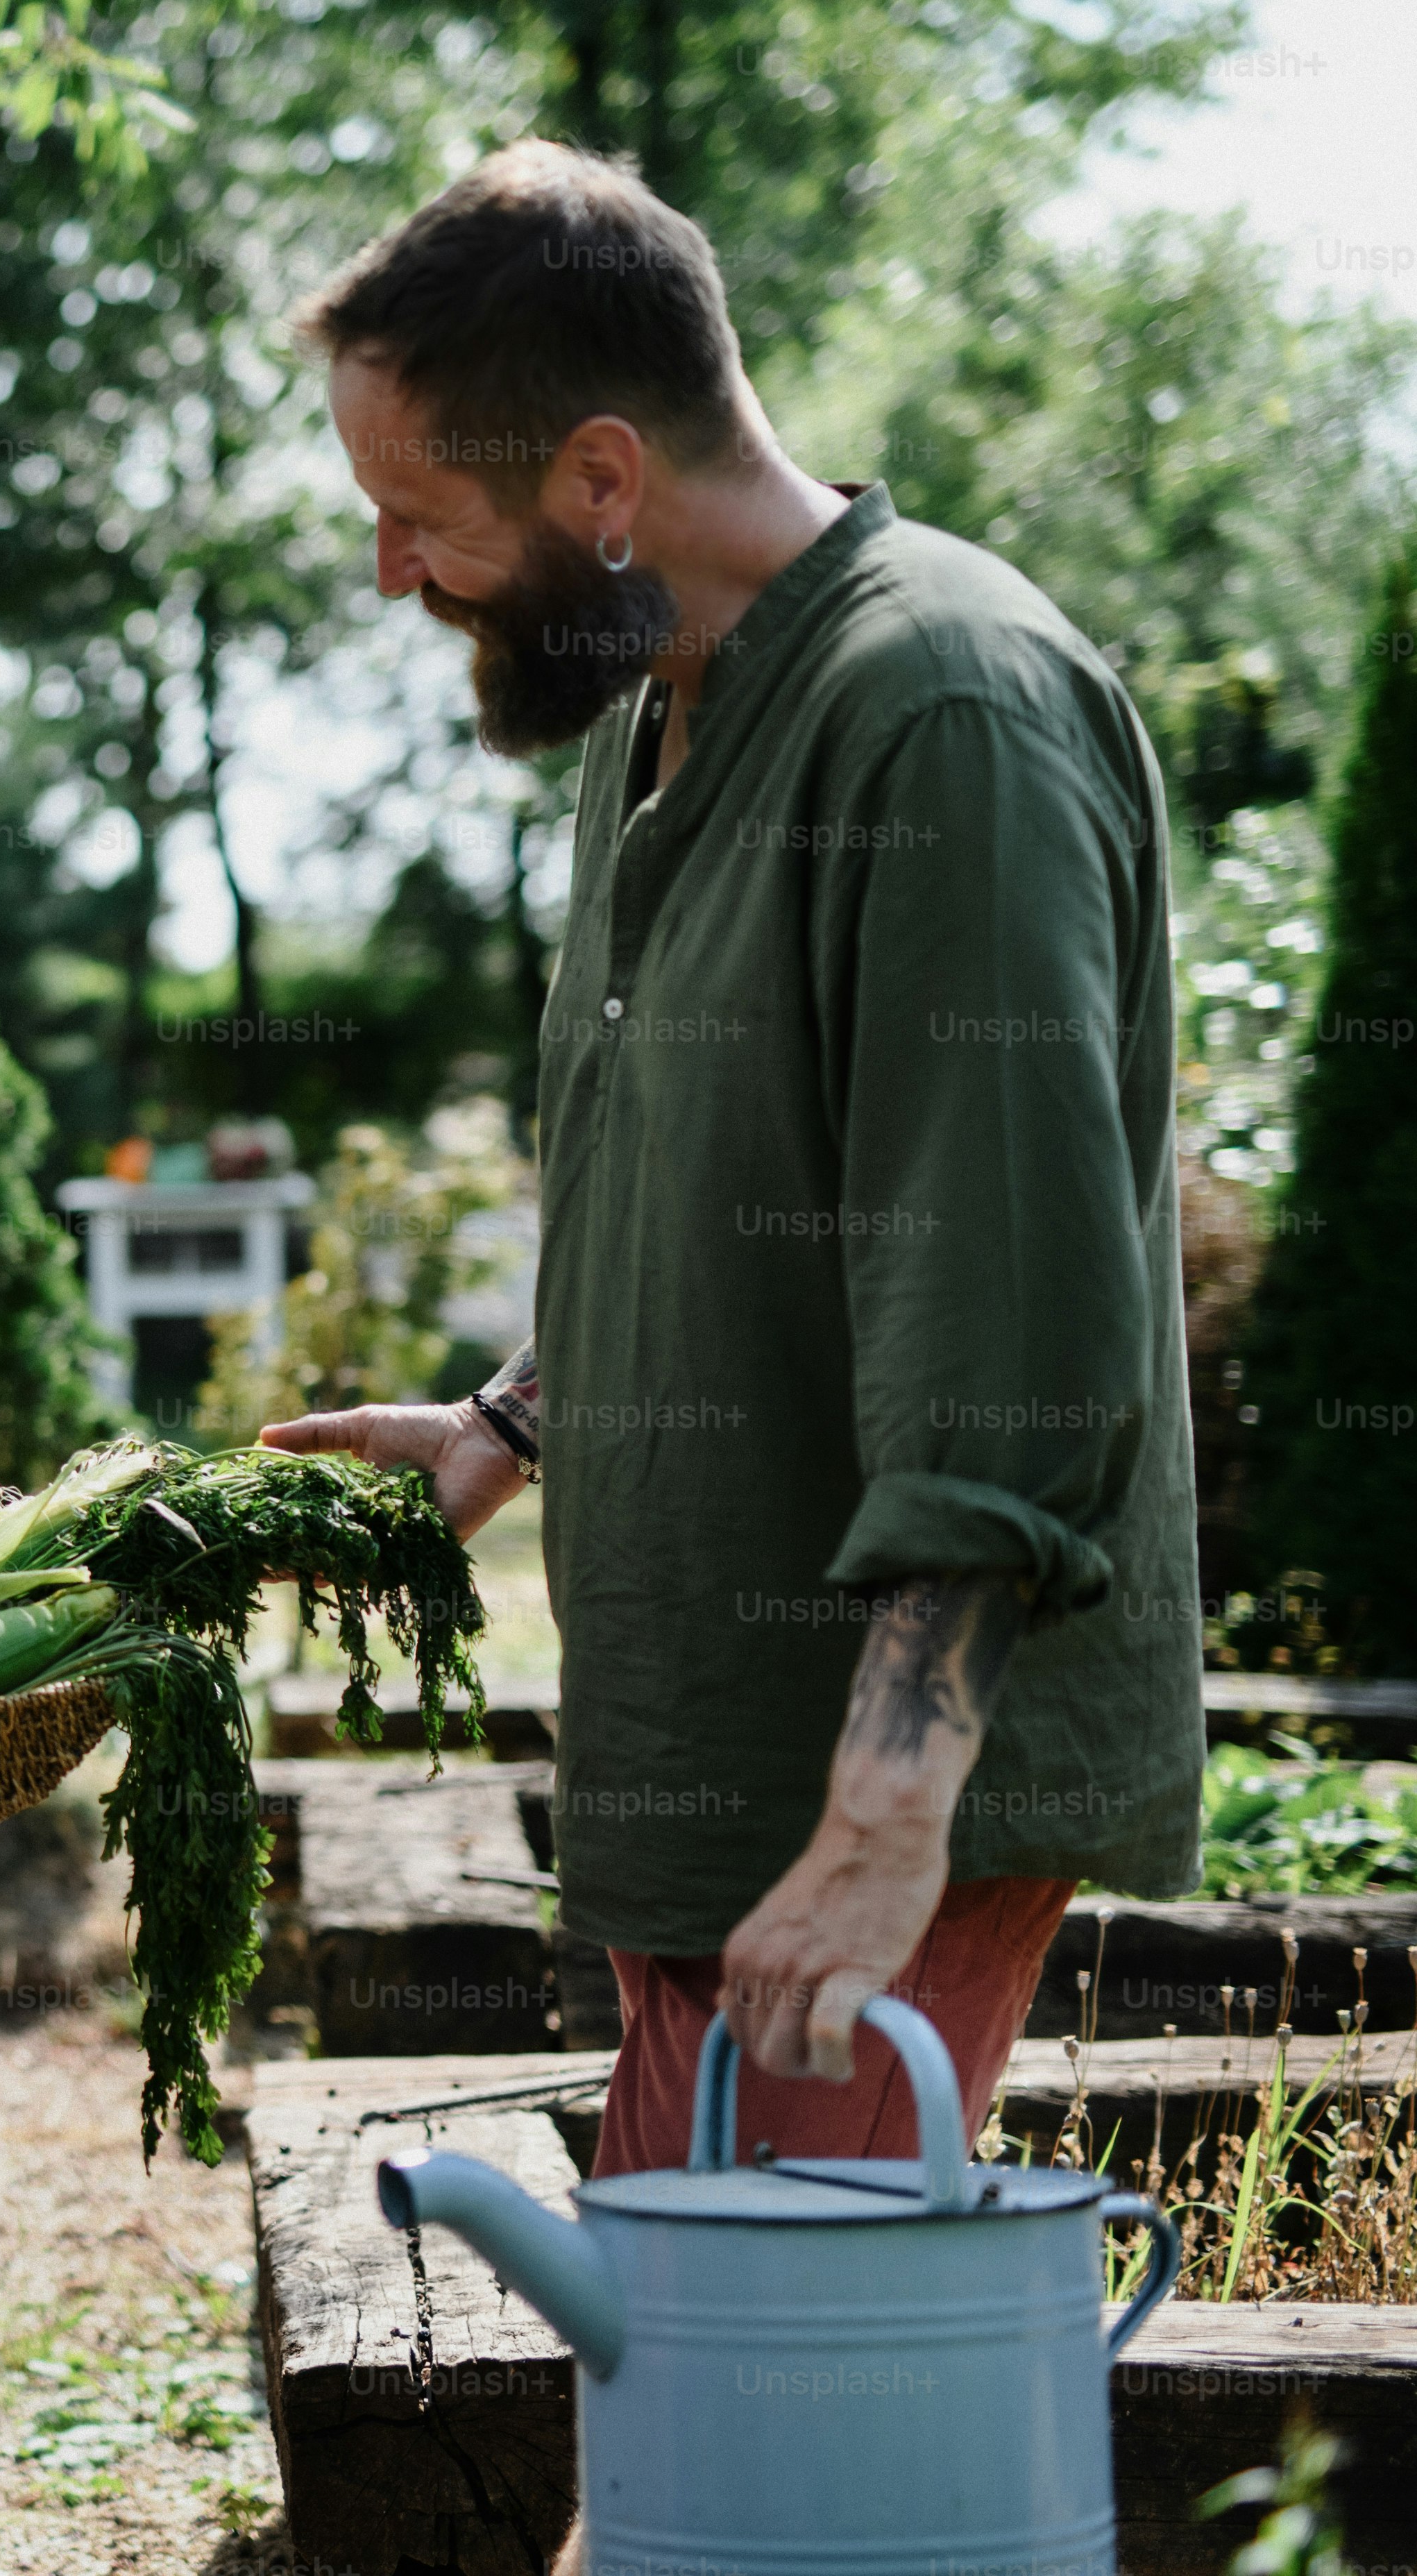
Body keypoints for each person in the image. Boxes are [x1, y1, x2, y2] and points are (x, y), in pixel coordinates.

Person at [264, 144, 1203, 2182]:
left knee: (772, 2439)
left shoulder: (942, 711)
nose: (392, 575)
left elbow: (1021, 1331)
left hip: (866, 1798)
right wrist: (518, 1416)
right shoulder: (652, 712)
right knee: (694, 2398)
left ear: (601, 482)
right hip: (708, 1741)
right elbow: (706, 1177)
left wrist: (882, 1823)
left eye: (421, 518)